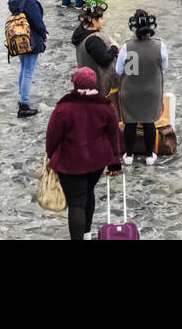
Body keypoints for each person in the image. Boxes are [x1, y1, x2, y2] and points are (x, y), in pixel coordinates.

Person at [46, 67, 123, 240]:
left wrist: (51, 156)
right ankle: (87, 232)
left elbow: (52, 135)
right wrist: (115, 163)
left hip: (70, 163)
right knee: (88, 192)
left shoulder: (64, 106)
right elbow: (114, 136)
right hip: (97, 162)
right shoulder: (106, 106)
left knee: (76, 202)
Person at [115, 10, 167, 166]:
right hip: (151, 91)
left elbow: (118, 70)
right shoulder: (160, 45)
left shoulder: (127, 46)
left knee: (130, 123)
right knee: (149, 122)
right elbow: (164, 67)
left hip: (130, 90)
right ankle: (150, 155)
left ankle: (129, 155)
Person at [8, 0, 46, 118]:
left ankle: (22, 97)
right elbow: (37, 21)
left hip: (19, 38)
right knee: (28, 72)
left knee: (24, 69)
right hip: (31, 40)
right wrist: (44, 34)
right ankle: (23, 105)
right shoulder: (29, 0)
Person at [72, 5, 119, 96]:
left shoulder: (81, 33)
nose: (104, 20)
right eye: (101, 18)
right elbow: (104, 59)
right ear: (93, 20)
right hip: (97, 87)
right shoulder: (93, 40)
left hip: (86, 83)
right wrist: (114, 48)